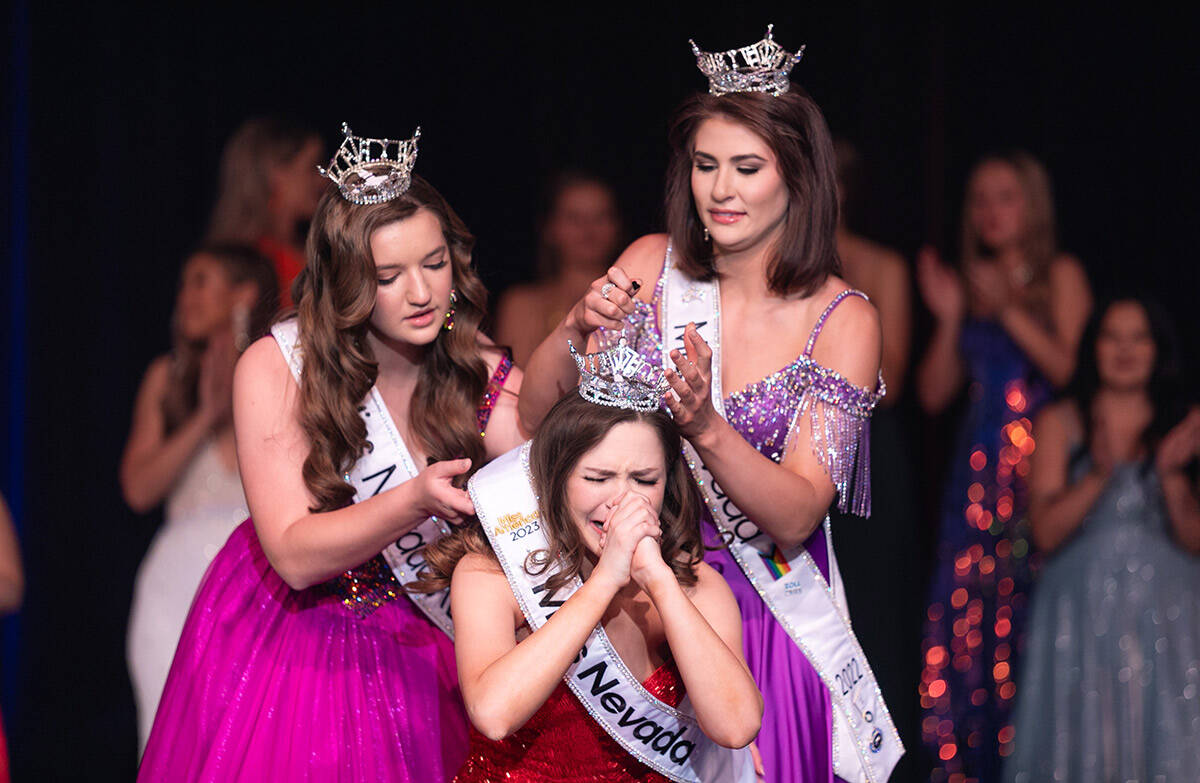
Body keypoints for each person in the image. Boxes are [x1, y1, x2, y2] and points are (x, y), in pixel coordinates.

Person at [519, 28, 901, 783]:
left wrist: (703, 426)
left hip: (764, 614)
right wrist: (571, 329)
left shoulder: (843, 318)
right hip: (636, 601)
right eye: (705, 165)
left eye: (747, 167)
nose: (721, 190)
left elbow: (795, 514)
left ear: (798, 176)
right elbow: (537, 418)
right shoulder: (648, 264)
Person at [138, 125, 525, 782]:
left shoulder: (475, 363)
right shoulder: (276, 364)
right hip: (294, 639)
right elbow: (292, 554)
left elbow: (548, 482)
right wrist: (413, 498)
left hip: (426, 640)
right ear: (346, 278)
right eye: (389, 275)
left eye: (434, 264)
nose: (423, 292)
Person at [417, 361, 761, 782]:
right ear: (555, 478)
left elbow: (737, 726)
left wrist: (658, 579)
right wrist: (603, 582)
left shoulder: (696, 585)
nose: (622, 500)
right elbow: (493, 714)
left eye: (644, 479)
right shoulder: (490, 574)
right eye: (598, 478)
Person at [914, 150, 1092, 781]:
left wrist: (1010, 308)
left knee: (1030, 617)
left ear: (1032, 205)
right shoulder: (970, 283)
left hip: (1039, 475)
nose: (990, 212)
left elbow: (1078, 376)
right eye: (980, 200)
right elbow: (932, 395)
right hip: (974, 480)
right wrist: (953, 316)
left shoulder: (1059, 275)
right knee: (968, 623)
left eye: (1005, 197)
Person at [1005, 298, 1200, 782]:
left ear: (1158, 349)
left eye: (1139, 337)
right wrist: (1097, 474)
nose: (1125, 350)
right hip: (1080, 613)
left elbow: (1194, 539)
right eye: (1113, 337)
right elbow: (1044, 533)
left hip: (1169, 617)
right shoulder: (1061, 421)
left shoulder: (1183, 421)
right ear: (1094, 347)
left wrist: (1171, 476)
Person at [120, 243, 278, 750]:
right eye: (184, 283)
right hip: (174, 584)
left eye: (201, 281)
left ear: (244, 295)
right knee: (171, 742)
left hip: (257, 580)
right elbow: (138, 489)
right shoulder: (166, 379)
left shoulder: (279, 372)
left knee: (250, 742)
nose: (185, 295)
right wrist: (205, 417)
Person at [829, 138, 921, 777]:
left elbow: (892, 377)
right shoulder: (765, 268)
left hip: (866, 458)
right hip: (779, 450)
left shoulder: (881, 265)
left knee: (873, 614)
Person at [494, 172, 623, 366]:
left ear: (617, 226)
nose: (588, 228)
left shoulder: (633, 301)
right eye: (574, 218)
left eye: (600, 216)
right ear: (550, 228)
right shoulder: (521, 304)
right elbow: (515, 382)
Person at [205, 117, 326, 306]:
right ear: (277, 174)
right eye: (312, 168)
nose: (322, 181)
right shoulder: (242, 264)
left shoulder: (312, 250)